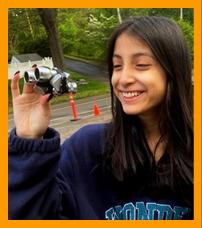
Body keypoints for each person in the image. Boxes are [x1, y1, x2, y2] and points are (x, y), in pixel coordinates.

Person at [8, 16, 193, 220]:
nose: (123, 79)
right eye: (117, 66)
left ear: (173, 72)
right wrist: (28, 140)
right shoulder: (86, 149)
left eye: (141, 65)